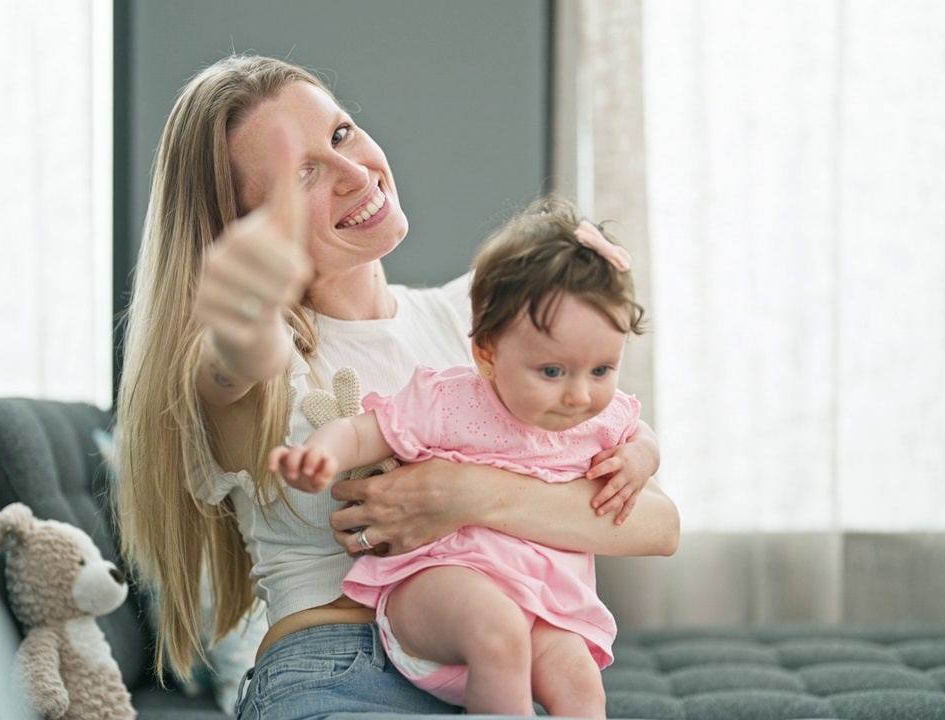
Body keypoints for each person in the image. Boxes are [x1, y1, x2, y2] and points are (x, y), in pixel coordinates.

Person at [113, 54, 679, 720]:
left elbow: (655, 524)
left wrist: (462, 495)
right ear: (244, 230)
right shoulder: (252, 371)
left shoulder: (487, 324)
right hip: (336, 669)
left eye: (342, 133)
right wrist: (243, 319)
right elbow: (233, 370)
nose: (356, 174)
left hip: (498, 664)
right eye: (305, 175)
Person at [267, 195, 644, 716]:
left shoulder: (602, 417)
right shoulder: (454, 399)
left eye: (602, 370)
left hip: (545, 606)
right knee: (500, 631)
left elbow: (639, 439)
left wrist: (640, 460)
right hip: (441, 590)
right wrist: (319, 453)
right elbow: (362, 432)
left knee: (581, 681)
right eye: (553, 372)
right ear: (488, 352)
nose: (580, 395)